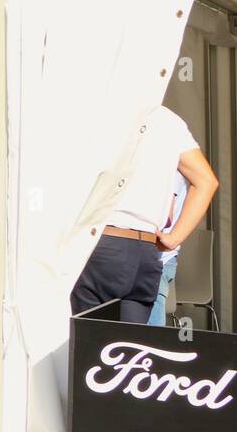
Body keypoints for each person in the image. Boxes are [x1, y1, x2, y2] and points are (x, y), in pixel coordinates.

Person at [72, 106, 217, 323]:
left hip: (102, 240)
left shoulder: (100, 107)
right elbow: (207, 181)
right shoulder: (169, 120)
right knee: (134, 350)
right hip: (146, 251)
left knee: (90, 346)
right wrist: (174, 238)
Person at [149, 171, 188, 326]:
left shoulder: (170, 165)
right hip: (159, 256)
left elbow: (165, 216)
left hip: (157, 257)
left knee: (149, 334)